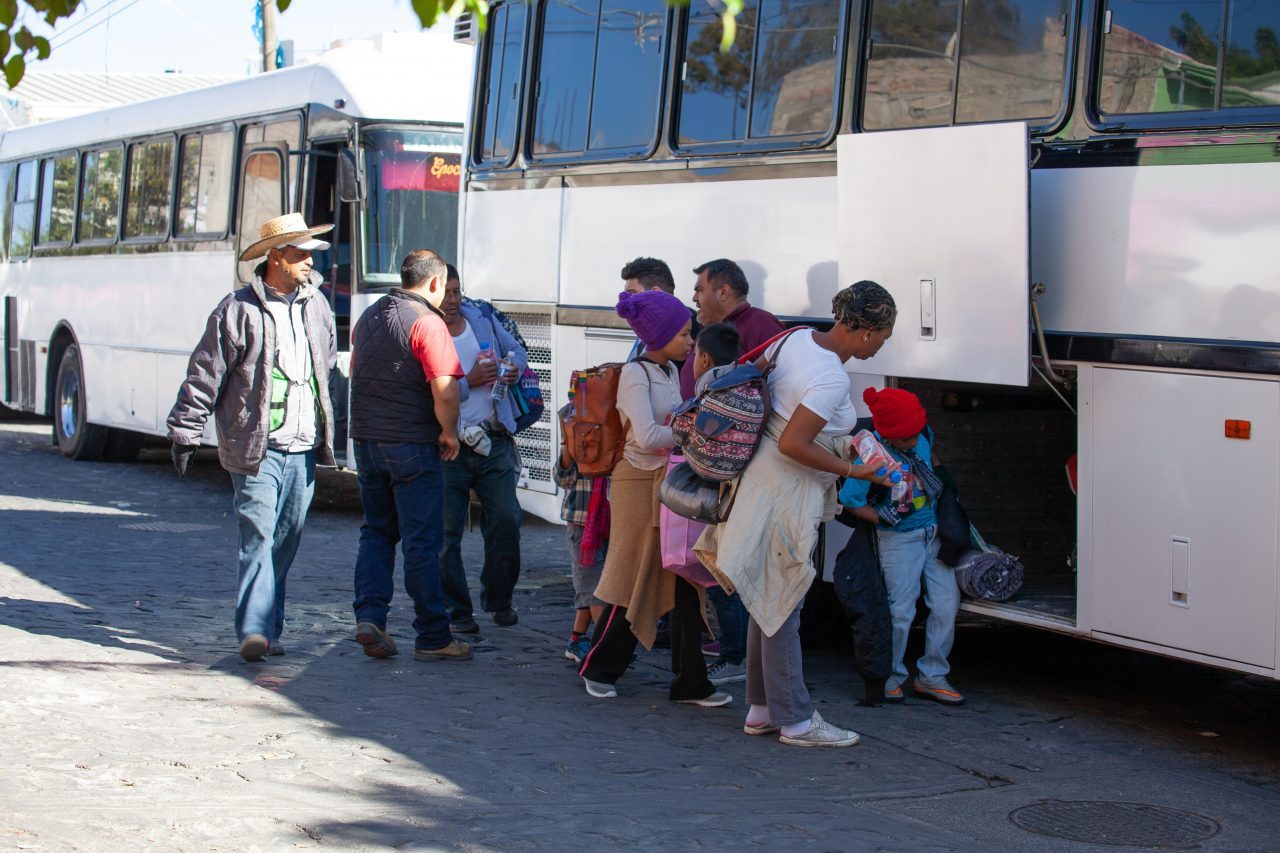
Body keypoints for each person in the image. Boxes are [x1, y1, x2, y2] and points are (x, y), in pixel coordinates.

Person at [696, 280, 899, 747]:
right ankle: (797, 721)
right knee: (784, 598)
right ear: (867, 332)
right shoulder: (830, 376)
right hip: (783, 492)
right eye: (885, 337)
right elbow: (793, 442)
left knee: (767, 596)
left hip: (759, 482)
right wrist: (855, 469)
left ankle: (761, 708)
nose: (883, 345)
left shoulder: (796, 337)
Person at [167, 212, 338, 662]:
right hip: (257, 449)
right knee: (258, 536)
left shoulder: (316, 305)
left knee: (286, 540)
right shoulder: (237, 310)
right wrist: (186, 429)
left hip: (303, 446)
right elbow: (206, 374)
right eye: (300, 254)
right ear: (276, 257)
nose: (309, 262)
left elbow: (328, 364)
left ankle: (270, 628)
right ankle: (255, 628)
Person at [578, 289, 729, 708]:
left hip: (663, 482)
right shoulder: (636, 375)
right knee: (632, 577)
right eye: (683, 333)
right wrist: (691, 430)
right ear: (660, 334)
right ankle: (599, 667)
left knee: (682, 582)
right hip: (636, 485)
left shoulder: (664, 372)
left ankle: (691, 682)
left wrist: (685, 426)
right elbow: (645, 436)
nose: (690, 341)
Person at [349, 249, 471, 662]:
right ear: (435, 283)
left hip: (366, 442)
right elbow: (445, 388)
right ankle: (434, 637)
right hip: (412, 445)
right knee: (422, 542)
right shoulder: (428, 322)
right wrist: (450, 433)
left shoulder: (369, 316)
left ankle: (370, 617)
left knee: (377, 532)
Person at [837, 387, 964, 706]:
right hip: (898, 539)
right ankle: (891, 674)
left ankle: (932, 675)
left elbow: (931, 456)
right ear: (888, 437)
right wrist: (882, 520)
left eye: (915, 436)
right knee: (901, 610)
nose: (913, 442)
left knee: (947, 603)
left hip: (932, 532)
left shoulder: (920, 434)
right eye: (906, 439)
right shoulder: (874, 457)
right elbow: (849, 500)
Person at [438, 265, 529, 632]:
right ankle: (457, 612)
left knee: (507, 520)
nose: (452, 300)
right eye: (446, 293)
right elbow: (424, 388)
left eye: (457, 291)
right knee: (446, 535)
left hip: (494, 438)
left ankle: (498, 598)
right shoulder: (425, 330)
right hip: (448, 445)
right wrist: (468, 381)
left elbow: (518, 351)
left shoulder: (480, 316)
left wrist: (511, 368)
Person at [687, 323, 749, 686]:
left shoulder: (710, 385)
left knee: (719, 574)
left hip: (717, 490)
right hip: (743, 486)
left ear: (705, 357)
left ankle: (733, 656)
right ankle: (737, 648)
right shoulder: (745, 379)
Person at [679, 258, 783, 398]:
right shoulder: (708, 329)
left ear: (723, 292)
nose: (694, 298)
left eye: (699, 290)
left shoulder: (760, 323)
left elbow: (783, 383)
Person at [554, 435, 608, 663]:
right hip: (582, 521)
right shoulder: (577, 423)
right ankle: (607, 647)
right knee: (593, 587)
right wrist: (569, 444)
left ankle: (577, 640)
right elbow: (563, 479)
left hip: (610, 521)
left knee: (590, 585)